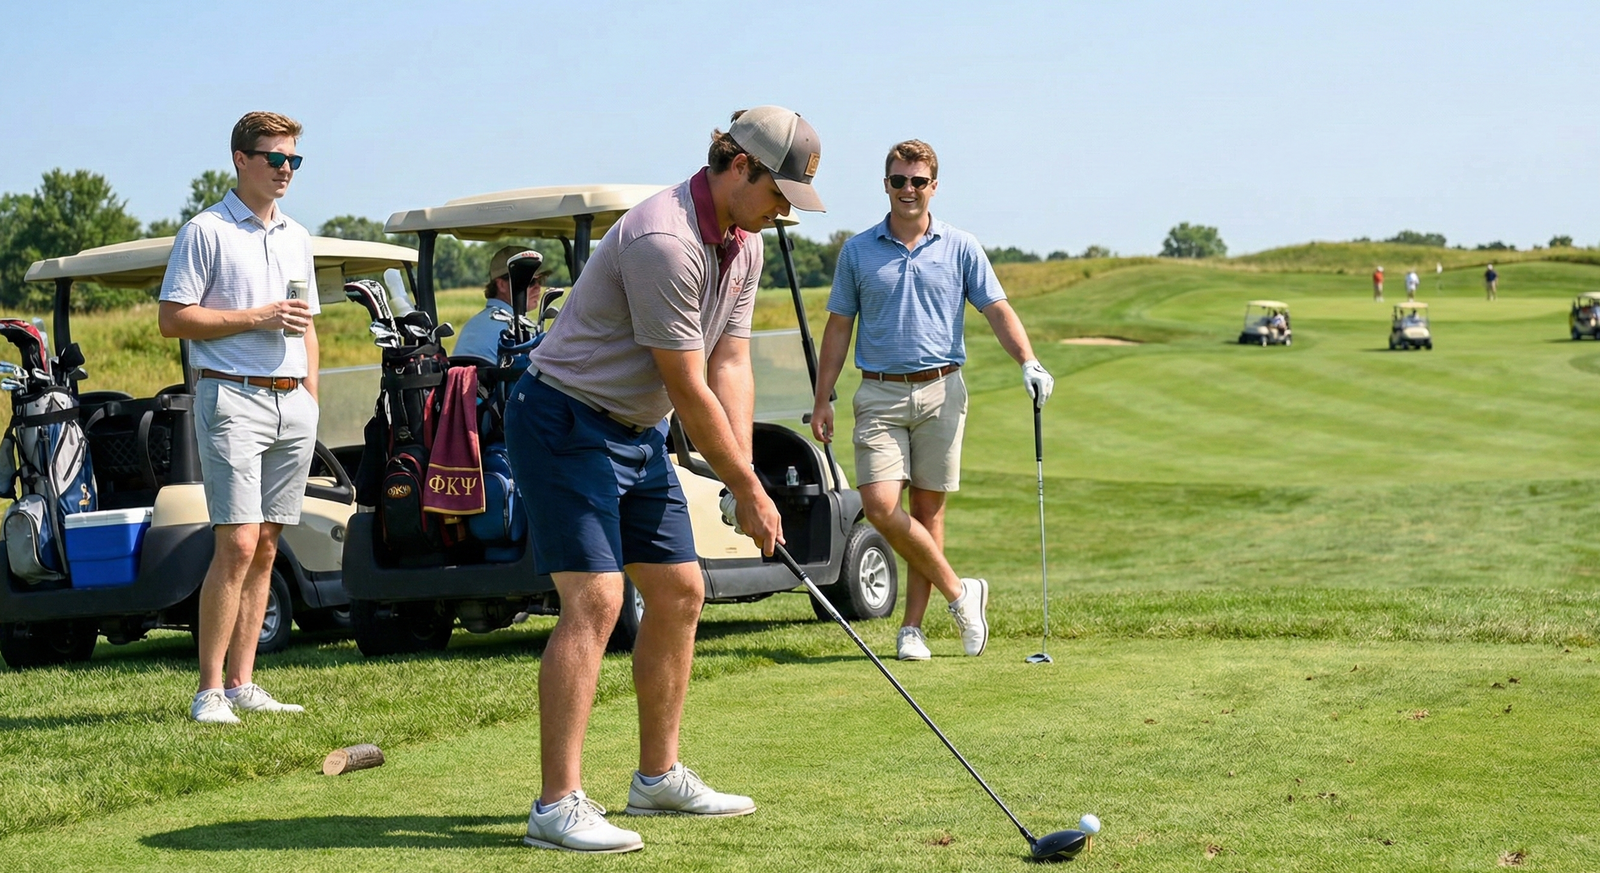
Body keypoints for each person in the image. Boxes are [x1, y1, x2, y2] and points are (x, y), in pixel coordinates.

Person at [504, 106, 823, 854]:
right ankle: (556, 806)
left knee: (681, 590)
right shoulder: (664, 240)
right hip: (563, 418)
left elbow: (731, 362)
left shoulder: (742, 244)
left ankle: (657, 777)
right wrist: (749, 489)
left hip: (634, 430)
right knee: (598, 598)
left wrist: (740, 469)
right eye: (780, 192)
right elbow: (686, 385)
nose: (784, 212)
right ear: (738, 165)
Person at [810, 139, 1053, 664]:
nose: (908, 190)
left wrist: (1027, 361)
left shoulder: (961, 246)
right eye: (898, 181)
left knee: (928, 510)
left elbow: (996, 308)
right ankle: (962, 593)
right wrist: (823, 395)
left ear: (933, 186)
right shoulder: (857, 251)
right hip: (878, 390)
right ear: (886, 185)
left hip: (943, 389)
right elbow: (837, 328)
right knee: (879, 506)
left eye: (918, 181)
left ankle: (912, 630)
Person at [158, 112, 319, 725]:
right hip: (231, 397)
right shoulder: (205, 231)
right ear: (240, 159)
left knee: (269, 544)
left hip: (290, 402)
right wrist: (258, 317)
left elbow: (307, 326)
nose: (285, 170)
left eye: (294, 161)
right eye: (275, 158)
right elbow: (175, 319)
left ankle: (244, 682)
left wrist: (309, 394)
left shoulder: (297, 236)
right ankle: (209, 692)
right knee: (238, 541)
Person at [453, 245, 547, 362]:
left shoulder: (473, 324)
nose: (538, 287)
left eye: (541, 280)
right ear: (501, 285)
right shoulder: (515, 331)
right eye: (530, 281)